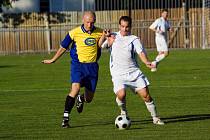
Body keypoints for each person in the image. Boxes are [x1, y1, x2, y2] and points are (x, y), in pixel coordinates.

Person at [42, 11, 107, 128]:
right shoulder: (74, 32)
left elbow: (101, 45)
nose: (89, 25)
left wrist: (105, 37)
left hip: (92, 67)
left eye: (92, 23)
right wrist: (53, 59)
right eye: (87, 22)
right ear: (83, 20)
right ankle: (65, 118)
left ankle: (81, 98)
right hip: (78, 65)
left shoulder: (100, 32)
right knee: (75, 88)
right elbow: (63, 47)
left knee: (89, 99)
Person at [101, 16, 164, 125]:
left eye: (127, 27)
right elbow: (101, 47)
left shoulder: (134, 39)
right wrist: (105, 38)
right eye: (122, 26)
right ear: (119, 26)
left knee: (146, 95)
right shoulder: (113, 36)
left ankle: (155, 118)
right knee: (121, 95)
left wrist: (146, 62)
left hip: (134, 72)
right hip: (118, 74)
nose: (125, 29)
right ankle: (123, 111)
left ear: (130, 26)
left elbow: (141, 52)